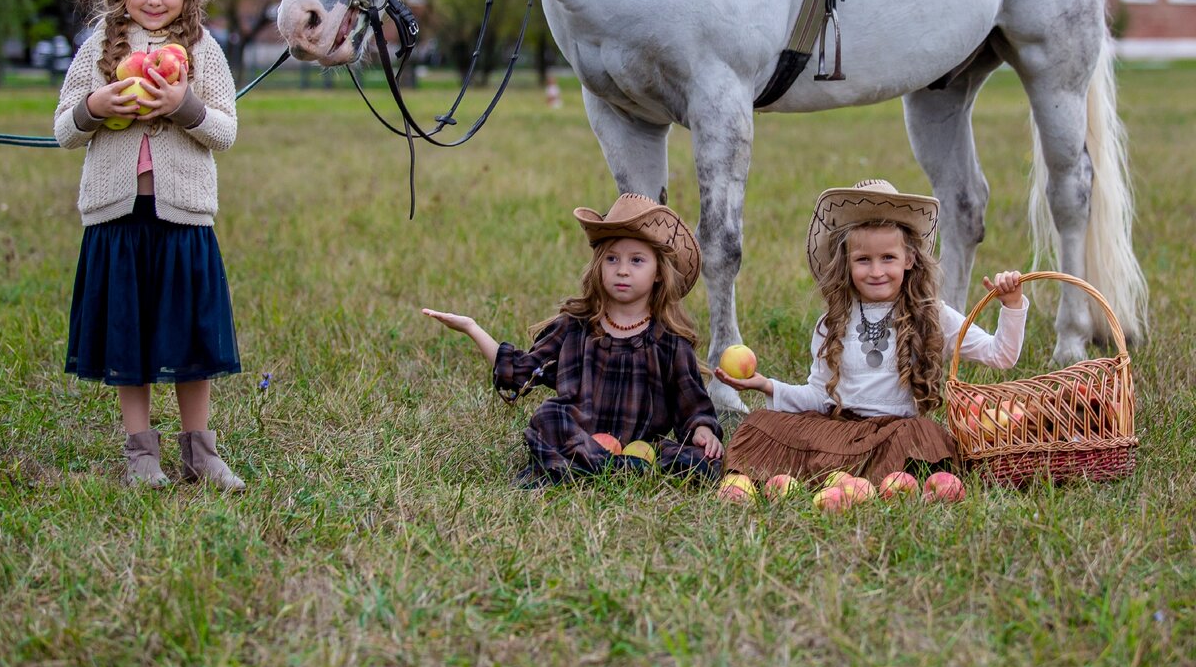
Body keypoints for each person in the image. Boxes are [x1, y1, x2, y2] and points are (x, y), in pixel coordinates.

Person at [53, 0, 244, 491]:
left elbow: (226, 130)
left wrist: (183, 105)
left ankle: (200, 451)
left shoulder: (202, 49)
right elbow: (64, 129)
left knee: (189, 334)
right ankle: (141, 453)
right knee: (127, 336)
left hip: (182, 216)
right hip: (117, 217)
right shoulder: (99, 50)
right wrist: (97, 108)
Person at [716, 179, 1027, 487]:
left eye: (888, 258)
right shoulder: (832, 322)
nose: (876, 271)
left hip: (895, 433)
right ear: (846, 264)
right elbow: (818, 396)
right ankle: (861, 474)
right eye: (863, 260)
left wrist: (1012, 304)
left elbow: (1001, 355)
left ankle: (871, 475)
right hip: (839, 429)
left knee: (921, 436)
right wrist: (767, 386)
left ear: (910, 259)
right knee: (761, 425)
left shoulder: (932, 314)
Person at [423, 193, 724, 488]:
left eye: (636, 260)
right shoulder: (576, 328)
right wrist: (472, 328)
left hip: (639, 446)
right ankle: (616, 470)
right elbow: (521, 370)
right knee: (549, 418)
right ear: (599, 266)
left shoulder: (668, 341)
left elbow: (692, 401)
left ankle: (591, 469)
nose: (622, 269)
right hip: (578, 436)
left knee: (701, 460)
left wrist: (702, 429)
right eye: (611, 258)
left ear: (659, 273)